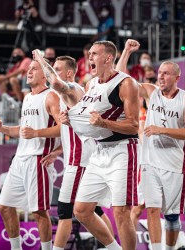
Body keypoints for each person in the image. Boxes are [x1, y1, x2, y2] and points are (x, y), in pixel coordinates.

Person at [21, 51, 114, 250]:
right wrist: (57, 151)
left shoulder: (72, 89)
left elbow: (54, 82)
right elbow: (75, 131)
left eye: (58, 69)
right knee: (94, 209)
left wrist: (41, 61)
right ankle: (114, 247)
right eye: (53, 69)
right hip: (81, 157)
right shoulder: (63, 96)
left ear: (70, 74)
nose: (52, 73)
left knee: (64, 210)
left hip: (81, 160)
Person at [116, 39, 185, 250]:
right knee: (151, 209)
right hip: (150, 163)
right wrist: (126, 51)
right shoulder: (151, 92)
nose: (160, 76)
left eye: (166, 73)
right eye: (159, 72)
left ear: (177, 77)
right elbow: (120, 78)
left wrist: (160, 129)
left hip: (173, 164)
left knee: (171, 217)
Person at [60, 40, 139, 250]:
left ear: (108, 58)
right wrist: (71, 118)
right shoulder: (91, 84)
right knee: (82, 210)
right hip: (99, 151)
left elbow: (133, 126)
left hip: (124, 150)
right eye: (89, 54)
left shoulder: (126, 84)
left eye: (94, 54)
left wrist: (104, 123)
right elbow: (85, 115)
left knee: (121, 212)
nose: (90, 58)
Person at [0, 59, 61, 250]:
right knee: (4, 206)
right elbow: (23, 130)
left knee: (39, 212)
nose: (28, 72)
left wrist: (37, 134)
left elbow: (64, 128)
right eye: (28, 69)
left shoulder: (51, 96)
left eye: (34, 69)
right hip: (20, 160)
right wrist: (3, 128)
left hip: (38, 160)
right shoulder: (28, 98)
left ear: (45, 75)